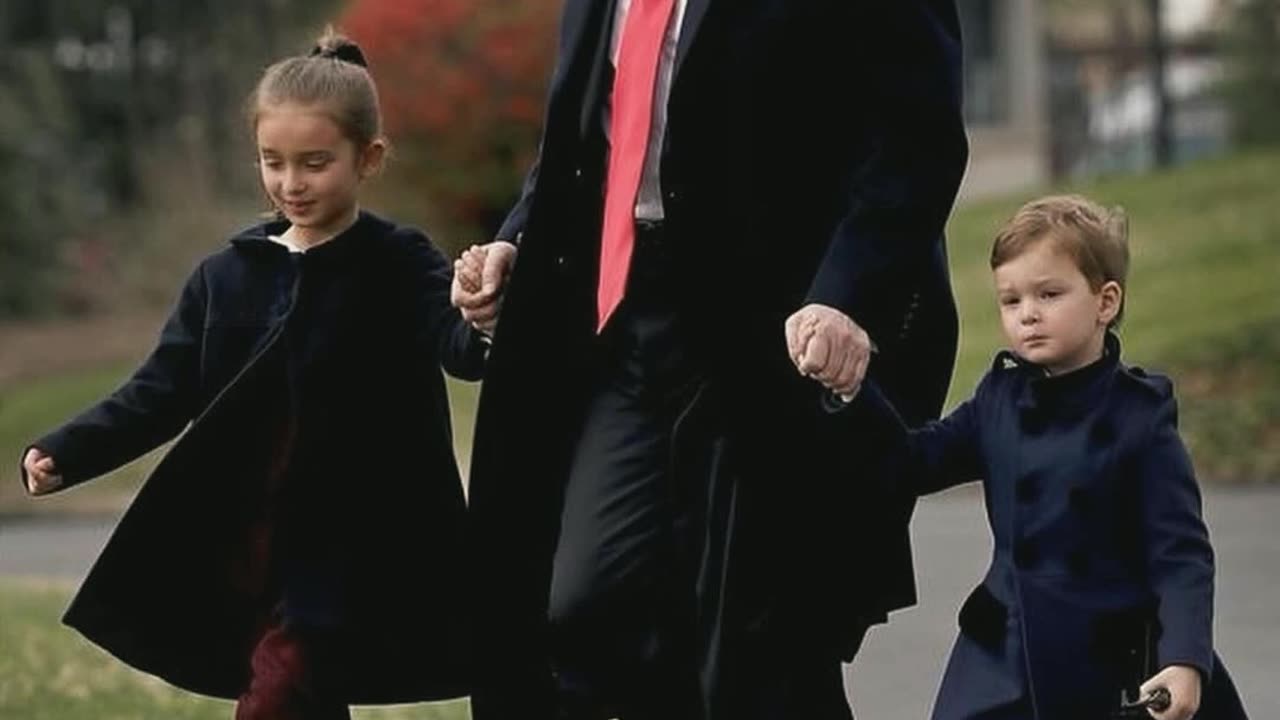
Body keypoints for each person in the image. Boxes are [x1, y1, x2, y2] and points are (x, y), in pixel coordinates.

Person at [450, 2, 969, 718]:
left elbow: (917, 136)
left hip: (780, 333)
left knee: (764, 645)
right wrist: (520, 237)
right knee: (589, 607)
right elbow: (593, 127)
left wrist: (850, 296)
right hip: (628, 319)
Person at [18, 28, 486, 720]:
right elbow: (161, 389)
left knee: (278, 692)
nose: (291, 183)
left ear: (369, 158)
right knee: (297, 692)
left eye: (315, 163)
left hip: (360, 544)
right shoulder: (226, 275)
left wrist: (481, 312)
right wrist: (69, 447)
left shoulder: (399, 262)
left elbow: (460, 349)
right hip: (251, 541)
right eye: (274, 162)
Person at [840, 195, 1249, 720]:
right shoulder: (998, 399)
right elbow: (913, 462)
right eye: (1011, 301)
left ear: (1106, 302)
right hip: (1004, 655)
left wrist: (1185, 660)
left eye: (1049, 294)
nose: (1028, 314)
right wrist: (854, 388)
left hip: (1113, 661)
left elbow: (1181, 556)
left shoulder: (1140, 419)